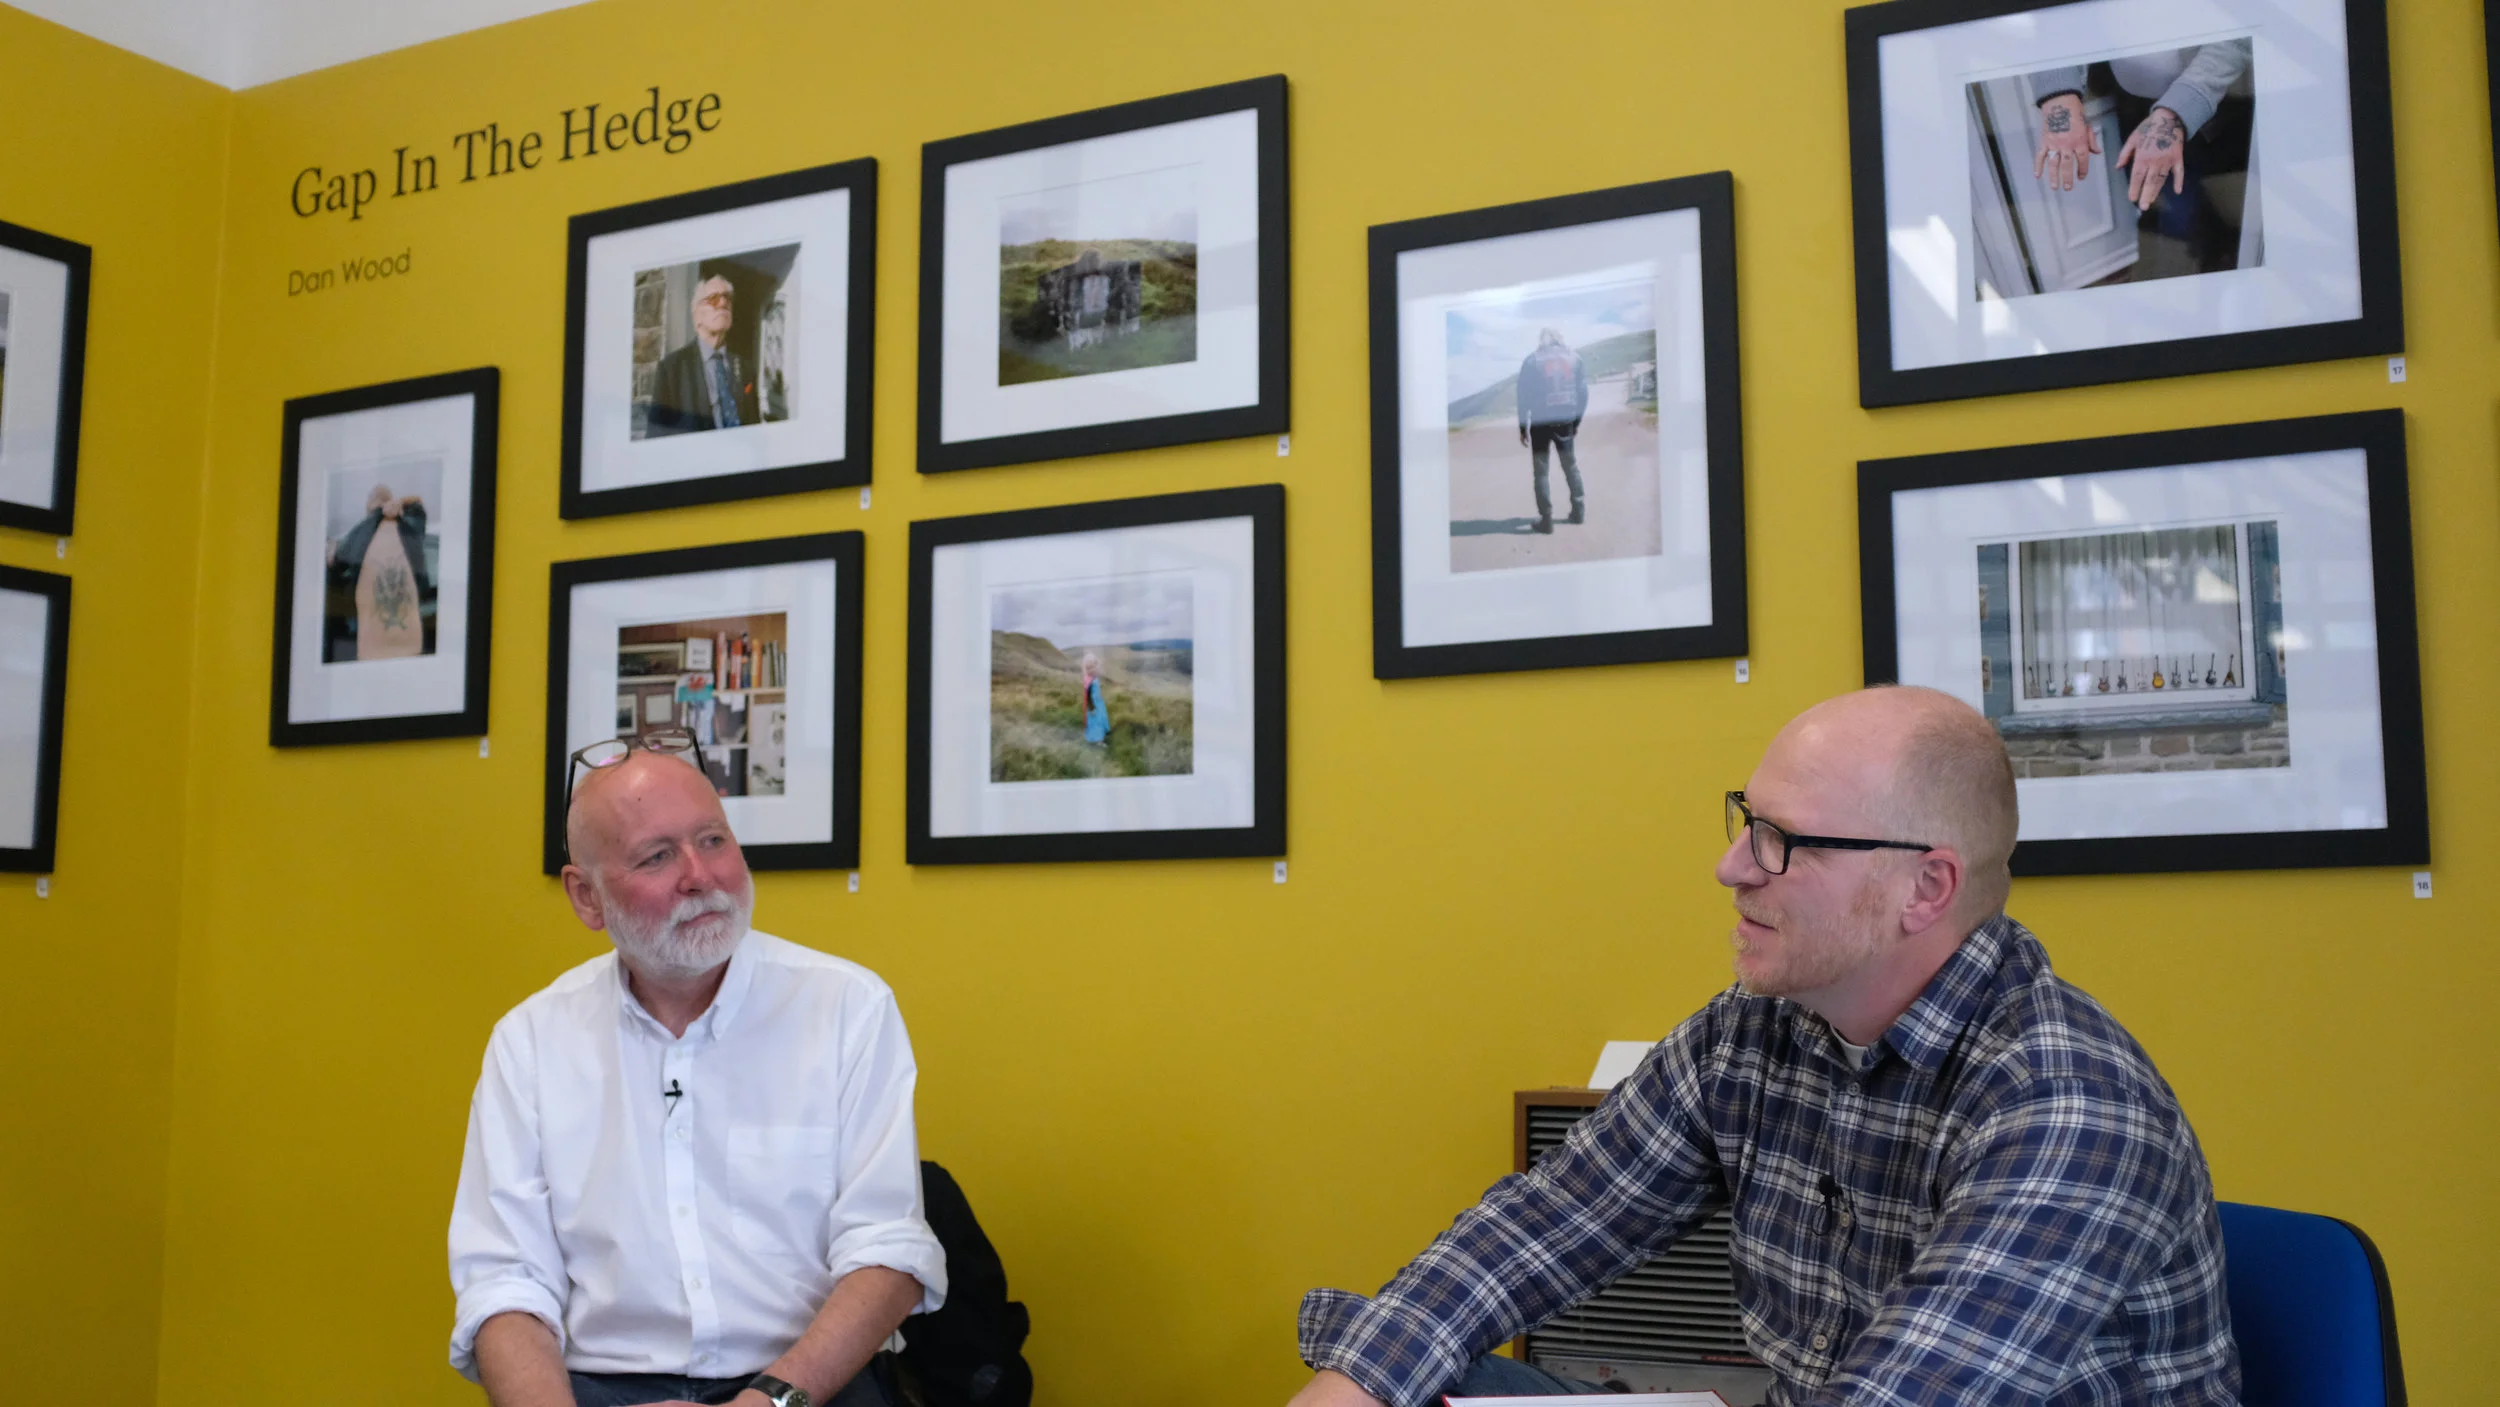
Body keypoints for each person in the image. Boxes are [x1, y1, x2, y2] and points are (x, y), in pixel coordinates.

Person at [1288, 686, 2239, 1407]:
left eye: (1785, 840)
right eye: (1749, 821)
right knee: (1399, 1368)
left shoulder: (2069, 1107)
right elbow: (1547, 1222)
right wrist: (1358, 1383)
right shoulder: (1752, 1032)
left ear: (1927, 888)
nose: (1732, 866)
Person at [449, 738, 947, 1407]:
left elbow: (888, 1252)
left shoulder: (846, 1008)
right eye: (657, 856)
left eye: (713, 840)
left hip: (805, 1385)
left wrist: (767, 1401)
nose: (699, 875)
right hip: (600, 1390)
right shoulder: (531, 1042)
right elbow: (505, 1283)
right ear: (586, 897)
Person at [2030, 41, 2253, 211]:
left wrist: (2181, 108)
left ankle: (2205, 238)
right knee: (2147, 184)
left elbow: (2235, 37)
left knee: (2176, 181)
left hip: (2206, 95)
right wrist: (2058, 92)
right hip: (2130, 96)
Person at [326, 483, 431, 661]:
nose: (381, 504)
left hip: (393, 650)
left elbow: (418, 506)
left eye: (383, 498)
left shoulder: (407, 528)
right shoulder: (359, 536)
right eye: (375, 498)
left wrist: (400, 503)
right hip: (383, 650)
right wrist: (332, 550)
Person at [648, 272, 760, 436]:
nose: (723, 303)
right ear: (697, 315)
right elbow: (656, 436)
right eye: (713, 298)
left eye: (727, 298)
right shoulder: (672, 370)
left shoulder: (745, 368)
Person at [1514, 328, 1588, 535]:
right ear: (1560, 339)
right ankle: (1579, 512)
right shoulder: (1575, 358)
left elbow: (1522, 396)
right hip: (1565, 420)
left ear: (1541, 341)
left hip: (1540, 422)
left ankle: (1546, 520)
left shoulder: (1531, 361)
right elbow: (1583, 393)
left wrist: (1523, 427)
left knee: (1541, 471)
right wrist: (1576, 422)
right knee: (1570, 466)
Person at [1078, 652, 1110, 748]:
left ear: (1096, 666)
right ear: (1085, 669)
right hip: (1093, 705)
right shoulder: (1088, 680)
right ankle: (1098, 740)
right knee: (1096, 722)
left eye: (1093, 667)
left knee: (1100, 719)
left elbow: (1096, 690)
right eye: (1088, 668)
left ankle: (1099, 736)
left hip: (1098, 703)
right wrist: (1092, 708)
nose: (1091, 670)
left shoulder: (1093, 677)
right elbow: (1087, 696)